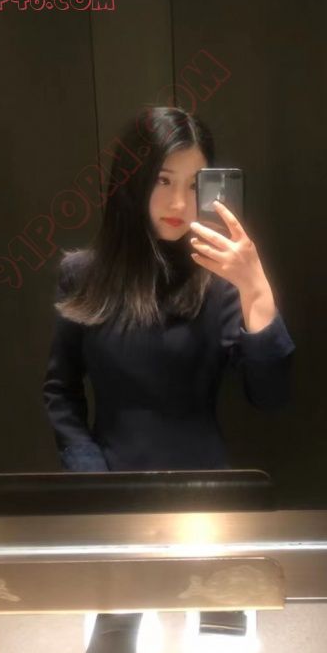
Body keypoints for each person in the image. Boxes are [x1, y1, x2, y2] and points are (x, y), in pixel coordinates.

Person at [42, 105, 295, 472]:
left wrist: (255, 287)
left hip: (202, 489)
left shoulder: (219, 278)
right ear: (134, 181)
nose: (179, 203)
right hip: (109, 482)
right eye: (163, 180)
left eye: (194, 185)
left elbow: (270, 395)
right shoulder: (82, 274)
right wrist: (89, 473)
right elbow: (61, 390)